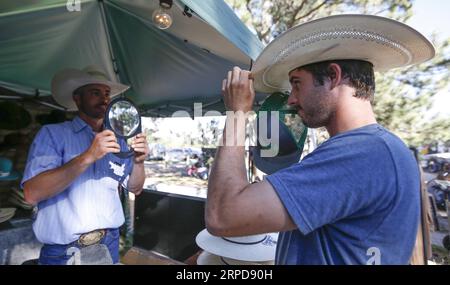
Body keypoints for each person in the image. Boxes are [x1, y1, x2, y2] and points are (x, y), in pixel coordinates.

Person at [205, 15, 436, 265]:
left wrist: (237, 112)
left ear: (333, 76)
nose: (292, 99)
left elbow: (223, 216)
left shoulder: (363, 153)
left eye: (296, 84)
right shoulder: (382, 149)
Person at [21, 66, 149, 265]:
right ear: (77, 98)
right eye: (95, 92)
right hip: (65, 252)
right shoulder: (53, 134)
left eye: (106, 93)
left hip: (110, 244)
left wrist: (139, 162)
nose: (104, 99)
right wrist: (88, 156)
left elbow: (135, 187)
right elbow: (31, 194)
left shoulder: (119, 141)